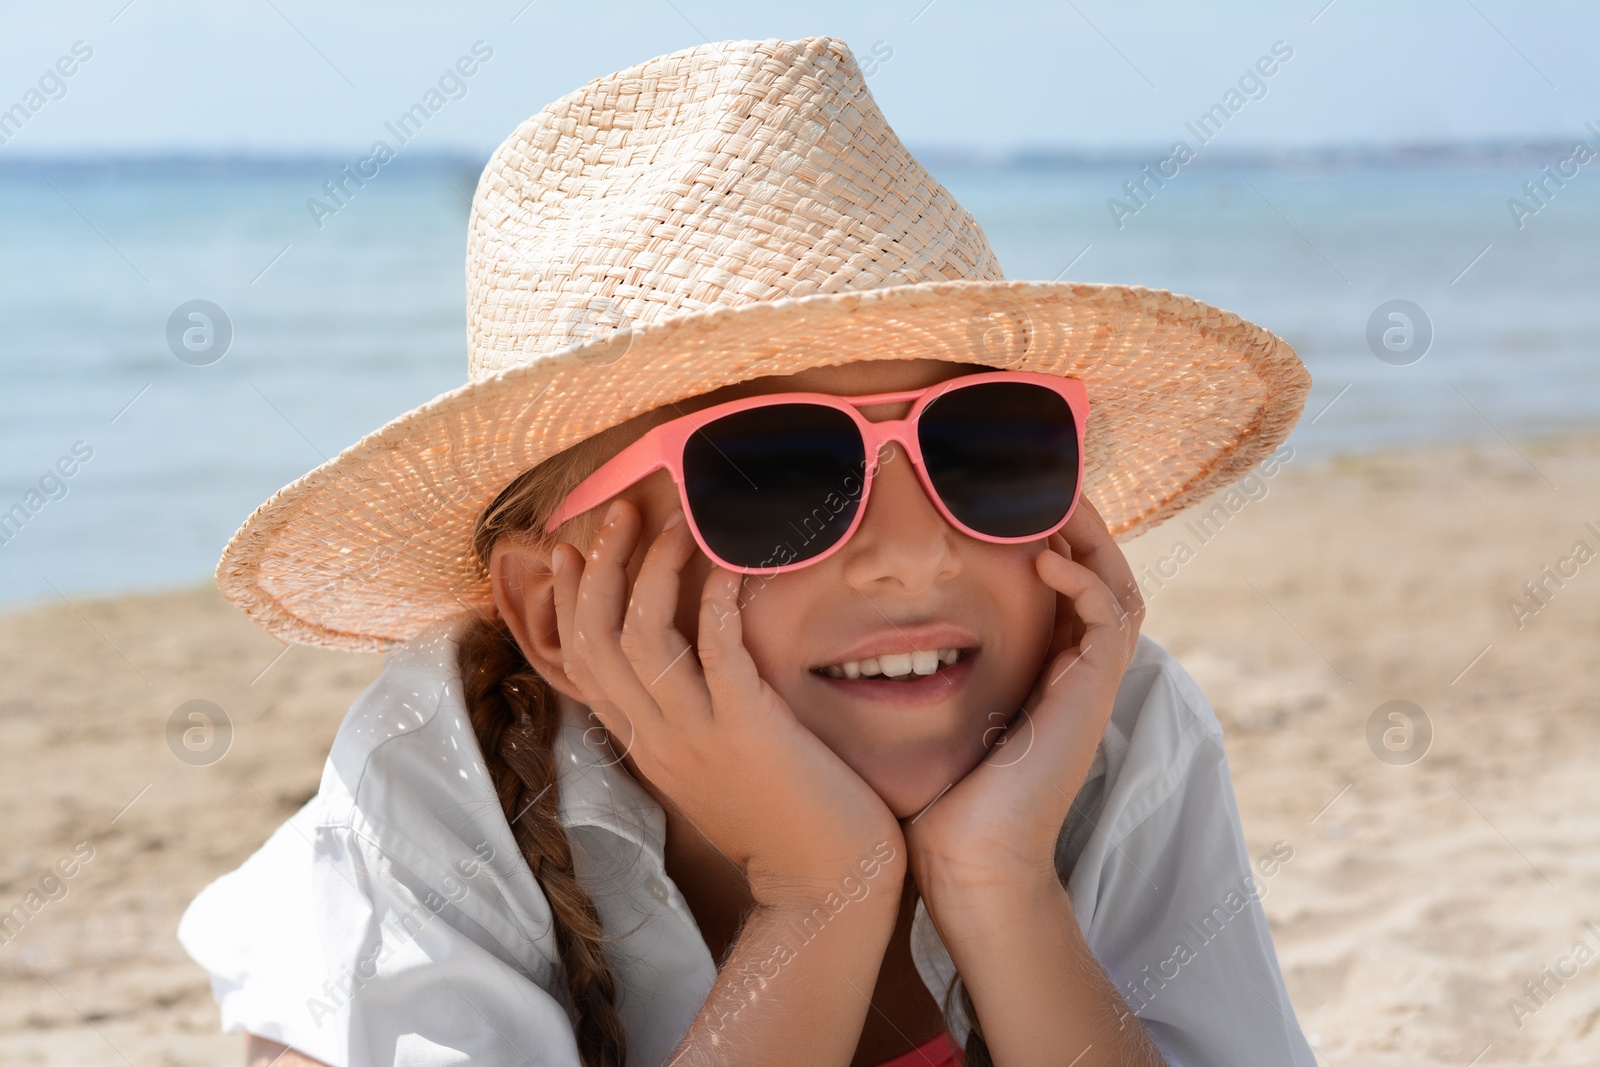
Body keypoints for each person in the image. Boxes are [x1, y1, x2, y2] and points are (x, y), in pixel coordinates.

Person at [179, 35, 1318, 1067]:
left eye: (984, 446)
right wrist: (818, 897)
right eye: (775, 474)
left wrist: (1002, 880)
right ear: (547, 608)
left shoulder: (1112, 725)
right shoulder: (435, 784)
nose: (913, 556)